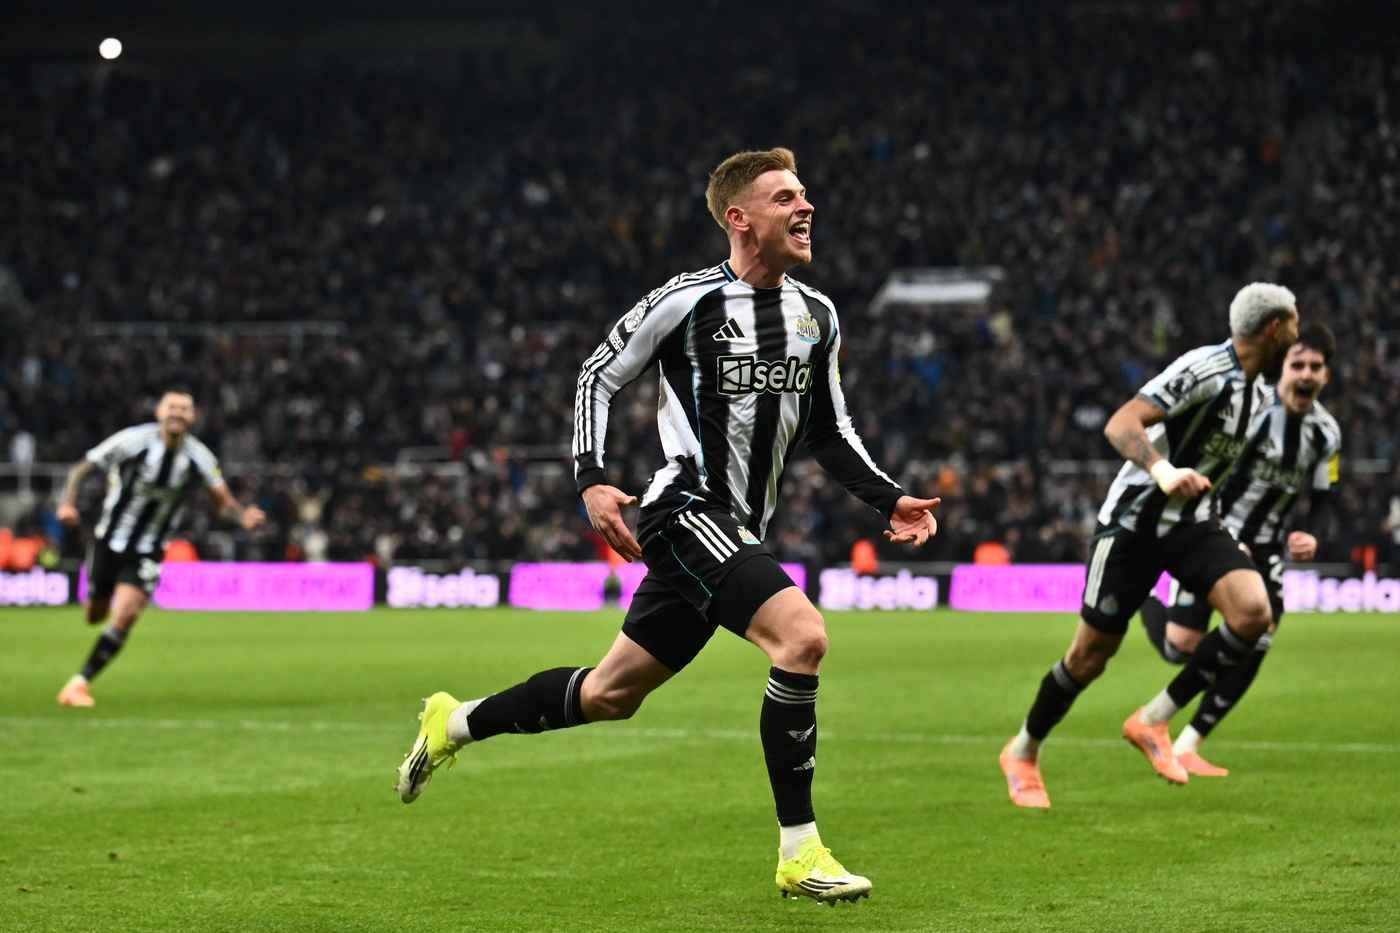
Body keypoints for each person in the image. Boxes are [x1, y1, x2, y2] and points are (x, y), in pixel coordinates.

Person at [395, 147, 941, 904]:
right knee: (802, 636)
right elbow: (598, 374)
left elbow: (827, 428)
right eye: (786, 197)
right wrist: (590, 479)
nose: (806, 206)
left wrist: (889, 499)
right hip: (686, 511)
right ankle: (800, 850)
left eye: (805, 193)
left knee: (611, 694)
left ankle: (453, 723)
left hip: (737, 526)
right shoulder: (685, 302)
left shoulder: (818, 315)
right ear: (739, 219)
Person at [998, 282, 1299, 808]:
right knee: (1089, 657)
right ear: (1274, 328)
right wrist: (1161, 470)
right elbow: (1122, 422)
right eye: (1294, 324)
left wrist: (1234, 540)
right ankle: (1023, 751)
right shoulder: (1205, 369)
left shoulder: (1260, 394)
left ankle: (1154, 720)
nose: (1298, 335)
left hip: (1193, 525)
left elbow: (1217, 470)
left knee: (1254, 611)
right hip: (1135, 523)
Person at [1137, 324, 1341, 775]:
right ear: (1282, 366)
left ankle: (1189, 743)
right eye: (1298, 364)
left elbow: (1326, 497)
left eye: (1316, 367)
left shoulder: (1327, 435)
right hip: (1215, 531)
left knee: (1257, 637)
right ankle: (1145, 601)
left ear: (1326, 374)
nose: (1306, 374)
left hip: (1266, 548)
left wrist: (1313, 533)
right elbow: (1215, 470)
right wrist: (1226, 539)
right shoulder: (1252, 413)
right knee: (1181, 648)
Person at [54, 389, 266, 707]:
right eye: (171, 407)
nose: (177, 413)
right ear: (159, 412)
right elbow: (80, 469)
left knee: (125, 614)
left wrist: (243, 516)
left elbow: (223, 502)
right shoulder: (133, 441)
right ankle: (99, 608)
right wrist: (67, 504)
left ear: (193, 417)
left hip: (149, 547)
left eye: (184, 409)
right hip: (108, 540)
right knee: (94, 614)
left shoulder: (199, 457)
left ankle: (78, 684)